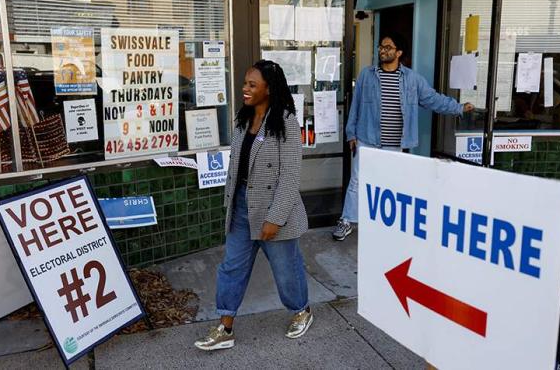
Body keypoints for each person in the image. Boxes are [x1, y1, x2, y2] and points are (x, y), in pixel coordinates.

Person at [194, 60, 311, 351]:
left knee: (286, 271)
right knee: (231, 267)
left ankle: (302, 310)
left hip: (274, 211)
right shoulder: (242, 119)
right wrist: (231, 202)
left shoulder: (285, 122)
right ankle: (225, 327)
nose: (244, 89)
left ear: (269, 89)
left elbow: (290, 175)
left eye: (251, 85)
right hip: (242, 207)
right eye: (245, 83)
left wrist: (275, 217)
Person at [332, 32, 475, 241]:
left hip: (394, 144)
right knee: (357, 181)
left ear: (399, 52)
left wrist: (459, 108)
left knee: (389, 184)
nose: (382, 50)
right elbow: (356, 105)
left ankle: (381, 223)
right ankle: (347, 220)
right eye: (381, 47)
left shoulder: (412, 79)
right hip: (366, 139)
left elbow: (433, 99)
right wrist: (351, 134)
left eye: (388, 47)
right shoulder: (366, 75)